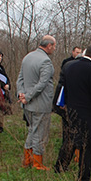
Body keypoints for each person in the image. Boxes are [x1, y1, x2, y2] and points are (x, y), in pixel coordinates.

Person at [61, 44, 91, 181]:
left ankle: (61, 167)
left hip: (73, 112)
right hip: (90, 114)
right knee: (89, 147)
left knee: (74, 142)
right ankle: (84, 179)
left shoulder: (70, 67)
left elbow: (65, 90)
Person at [17, 35, 56, 171]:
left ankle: (27, 160)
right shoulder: (45, 61)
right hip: (40, 104)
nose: (54, 49)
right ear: (49, 45)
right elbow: (42, 84)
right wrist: (27, 96)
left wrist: (21, 93)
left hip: (27, 104)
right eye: (54, 46)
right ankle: (37, 163)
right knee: (40, 133)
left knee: (32, 131)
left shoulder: (27, 57)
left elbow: (20, 79)